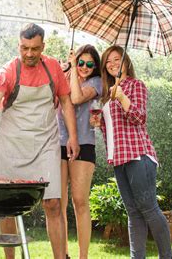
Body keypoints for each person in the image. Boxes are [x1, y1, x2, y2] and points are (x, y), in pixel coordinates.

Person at [0, 23, 80, 259]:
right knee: (7, 209)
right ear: (19, 45)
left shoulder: (54, 68)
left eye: (34, 49)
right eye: (24, 48)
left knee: (54, 204)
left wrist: (73, 137)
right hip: (12, 145)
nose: (28, 54)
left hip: (45, 143)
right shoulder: (10, 70)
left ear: (42, 47)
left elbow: (66, 101)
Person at [90, 45, 172, 259]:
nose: (112, 64)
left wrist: (123, 97)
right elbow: (113, 132)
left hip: (138, 156)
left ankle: (167, 256)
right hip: (119, 160)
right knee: (133, 212)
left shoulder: (136, 85)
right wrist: (98, 122)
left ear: (126, 62)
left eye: (117, 59)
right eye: (108, 61)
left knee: (149, 208)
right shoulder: (108, 95)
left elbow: (139, 118)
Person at [57, 45, 102, 259]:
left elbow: (75, 98)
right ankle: (63, 254)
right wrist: (63, 73)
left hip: (84, 144)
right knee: (59, 203)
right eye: (81, 62)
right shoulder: (65, 75)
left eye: (89, 64)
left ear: (95, 66)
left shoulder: (96, 83)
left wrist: (73, 69)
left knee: (80, 201)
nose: (84, 67)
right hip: (58, 143)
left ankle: (83, 256)